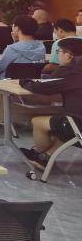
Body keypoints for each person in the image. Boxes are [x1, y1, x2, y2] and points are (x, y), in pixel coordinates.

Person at [18, 38, 82, 170]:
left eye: (59, 51)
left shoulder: (70, 71)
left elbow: (40, 88)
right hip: (76, 122)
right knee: (63, 122)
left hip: (78, 124)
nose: (58, 55)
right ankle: (45, 155)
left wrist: (24, 81)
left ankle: (40, 155)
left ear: (68, 56)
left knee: (38, 121)